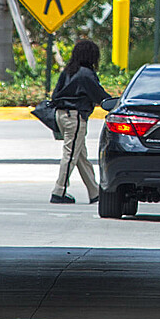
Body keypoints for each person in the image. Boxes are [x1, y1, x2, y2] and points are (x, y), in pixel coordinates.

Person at [49, 39, 111, 204]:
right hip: (75, 116)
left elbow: (55, 95)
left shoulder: (68, 71)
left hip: (61, 115)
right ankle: (59, 190)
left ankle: (94, 192)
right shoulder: (86, 74)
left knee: (80, 155)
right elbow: (100, 96)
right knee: (70, 155)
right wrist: (115, 104)